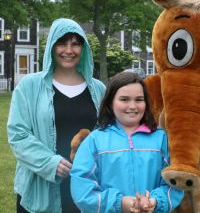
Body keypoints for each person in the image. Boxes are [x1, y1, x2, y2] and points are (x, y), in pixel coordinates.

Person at [7, 18, 106, 213]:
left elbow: (107, 133)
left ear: (83, 48)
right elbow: (18, 134)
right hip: (40, 187)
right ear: (52, 46)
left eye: (75, 44)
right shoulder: (30, 86)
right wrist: (51, 163)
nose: (68, 50)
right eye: (62, 43)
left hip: (86, 186)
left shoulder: (99, 89)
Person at [70, 72, 184, 213]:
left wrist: (154, 202)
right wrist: (120, 203)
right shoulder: (94, 141)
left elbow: (175, 182)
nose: (132, 106)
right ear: (110, 103)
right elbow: (82, 189)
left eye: (139, 99)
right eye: (124, 99)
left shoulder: (161, 139)